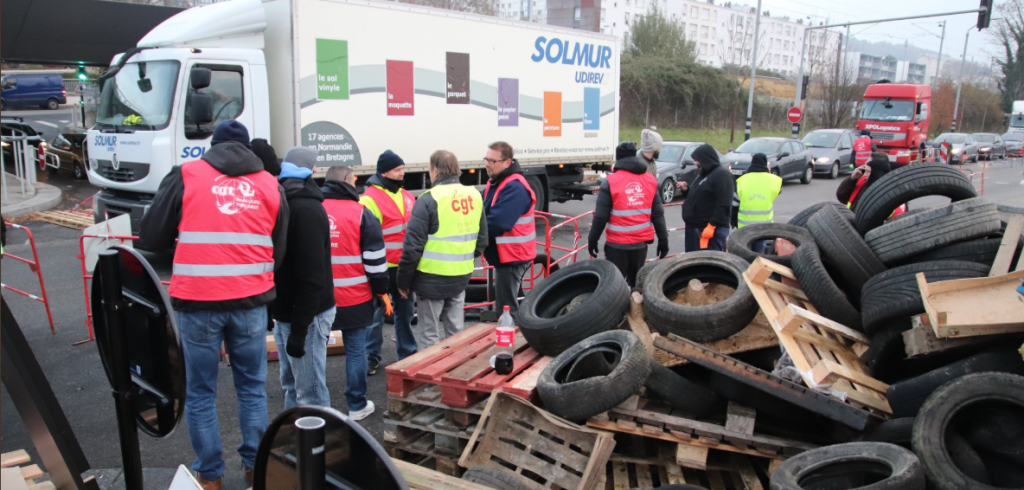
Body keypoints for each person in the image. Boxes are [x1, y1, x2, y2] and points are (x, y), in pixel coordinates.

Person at [140, 120, 289, 489]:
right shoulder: (271, 183)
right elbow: (279, 249)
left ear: (214, 145)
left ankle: (210, 476)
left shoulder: (187, 174)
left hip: (198, 302)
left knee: (201, 393)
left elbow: (152, 237)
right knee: (252, 388)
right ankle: (256, 469)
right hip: (250, 302)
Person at [397, 151, 487, 349]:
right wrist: (461, 259)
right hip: (460, 275)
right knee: (455, 331)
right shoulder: (474, 195)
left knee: (429, 334)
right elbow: (482, 241)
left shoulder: (428, 200)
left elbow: (412, 248)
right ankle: (455, 373)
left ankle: (429, 379)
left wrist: (403, 281)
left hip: (430, 279)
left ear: (435, 172)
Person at [321, 166, 389, 421]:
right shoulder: (361, 213)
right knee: (356, 349)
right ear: (349, 182)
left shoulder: (313, 209)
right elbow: (375, 261)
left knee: (315, 352)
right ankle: (357, 404)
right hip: (354, 296)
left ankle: (317, 405)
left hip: (320, 297)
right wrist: (381, 290)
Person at [272, 146, 336, 410]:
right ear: (311, 172)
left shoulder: (305, 209)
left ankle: (318, 447)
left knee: (309, 392)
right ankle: (296, 443)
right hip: (293, 313)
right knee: (293, 386)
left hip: (307, 316)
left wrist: (298, 331)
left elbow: (312, 278)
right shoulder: (285, 202)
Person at [360, 150, 418, 375]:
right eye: (397, 170)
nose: (402, 174)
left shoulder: (407, 195)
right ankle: (371, 356)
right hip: (381, 268)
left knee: (404, 314)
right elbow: (366, 236)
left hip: (403, 267)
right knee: (376, 314)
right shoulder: (369, 199)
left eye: (403, 169)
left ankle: (407, 355)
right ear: (384, 172)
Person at [588, 156, 669, 287]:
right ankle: (635, 306)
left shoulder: (611, 181)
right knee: (636, 284)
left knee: (614, 287)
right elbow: (658, 215)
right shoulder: (650, 180)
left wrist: (593, 239)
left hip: (617, 245)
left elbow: (600, 217)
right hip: (640, 245)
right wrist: (663, 240)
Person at [482, 142, 536, 322]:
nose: (488, 164)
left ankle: (509, 343)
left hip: (512, 256)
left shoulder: (514, 187)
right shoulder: (497, 181)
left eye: (492, 160)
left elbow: (498, 222)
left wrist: (472, 236)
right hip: (507, 256)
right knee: (507, 303)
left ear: (507, 162)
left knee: (506, 309)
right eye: (486, 159)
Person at [676, 144, 734, 252]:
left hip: (709, 230)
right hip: (695, 228)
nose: (696, 163)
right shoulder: (703, 173)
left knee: (707, 264)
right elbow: (700, 196)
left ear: (706, 158)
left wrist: (711, 226)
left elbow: (724, 204)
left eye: (698, 160)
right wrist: (687, 190)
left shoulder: (722, 175)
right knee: (693, 263)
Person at [836, 152, 907, 217]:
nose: (864, 173)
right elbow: (842, 196)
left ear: (875, 172)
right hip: (850, 224)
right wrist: (851, 179)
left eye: (867, 170)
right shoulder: (863, 182)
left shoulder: (889, 192)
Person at [734, 153, 782, 228]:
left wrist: (734, 222)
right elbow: (777, 192)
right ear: (766, 165)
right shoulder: (775, 180)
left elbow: (734, 205)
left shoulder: (740, 181)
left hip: (744, 228)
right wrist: (768, 172)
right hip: (766, 227)